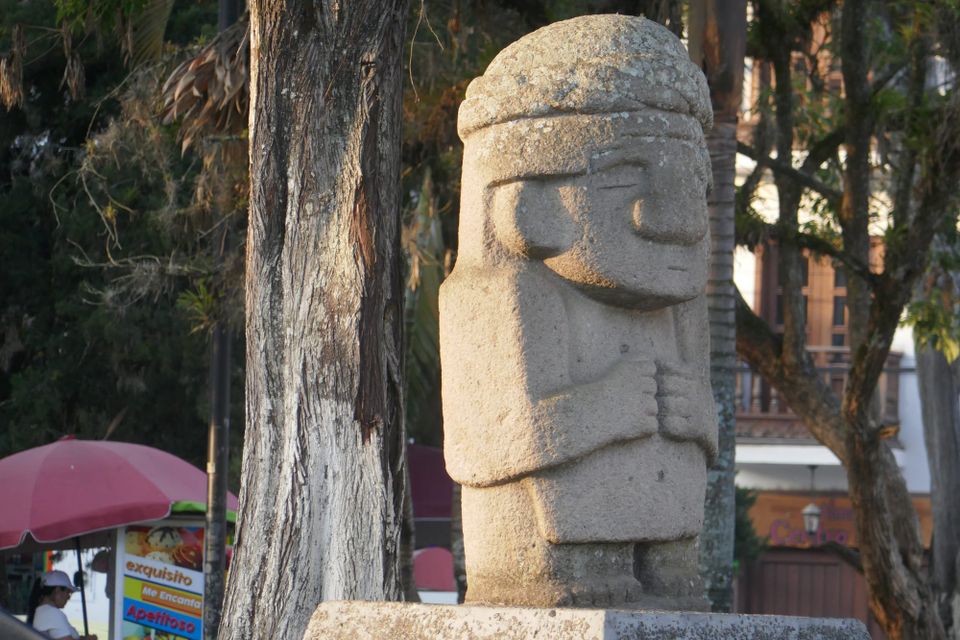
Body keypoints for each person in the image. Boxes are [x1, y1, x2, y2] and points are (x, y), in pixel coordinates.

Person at [26, 570, 97, 640]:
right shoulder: (52, 613)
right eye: (68, 592)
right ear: (57, 590)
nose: (69, 597)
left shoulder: (43, 611)